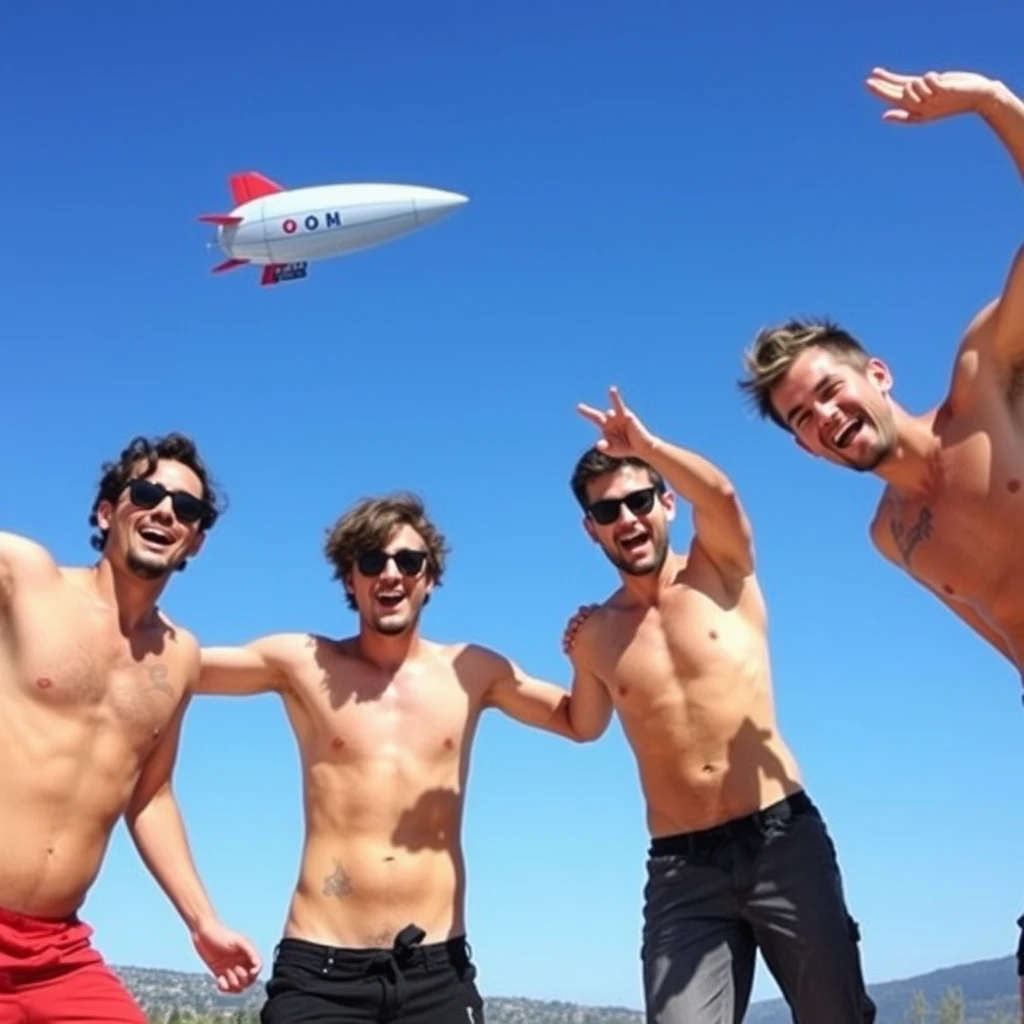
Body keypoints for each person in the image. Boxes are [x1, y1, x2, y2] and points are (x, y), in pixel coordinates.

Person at [737, 65, 1024, 1008]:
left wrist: (991, 105)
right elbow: (999, 629)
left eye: (830, 389)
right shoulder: (890, 538)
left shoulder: (984, 386)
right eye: (802, 420)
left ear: (878, 375)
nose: (824, 416)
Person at [197, 491, 580, 1024]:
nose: (391, 574)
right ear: (350, 579)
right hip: (321, 971)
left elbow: (578, 722)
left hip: (436, 971)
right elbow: (180, 668)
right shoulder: (304, 663)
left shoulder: (472, 671)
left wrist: (592, 653)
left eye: (408, 560)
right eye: (372, 561)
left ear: (429, 577)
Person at [561, 387, 875, 1024]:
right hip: (682, 872)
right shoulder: (596, 634)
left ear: (667, 503)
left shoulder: (720, 570)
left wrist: (645, 447)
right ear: (590, 529)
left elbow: (724, 497)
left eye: (639, 500)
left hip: (781, 839)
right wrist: (515, 677)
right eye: (608, 511)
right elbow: (582, 724)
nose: (627, 519)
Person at [0, 433, 261, 1024]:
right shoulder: (26, 580)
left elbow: (151, 796)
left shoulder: (180, 657)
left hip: (56, 954)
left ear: (193, 540)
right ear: (107, 510)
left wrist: (204, 922)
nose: (165, 510)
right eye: (147, 493)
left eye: (186, 509)